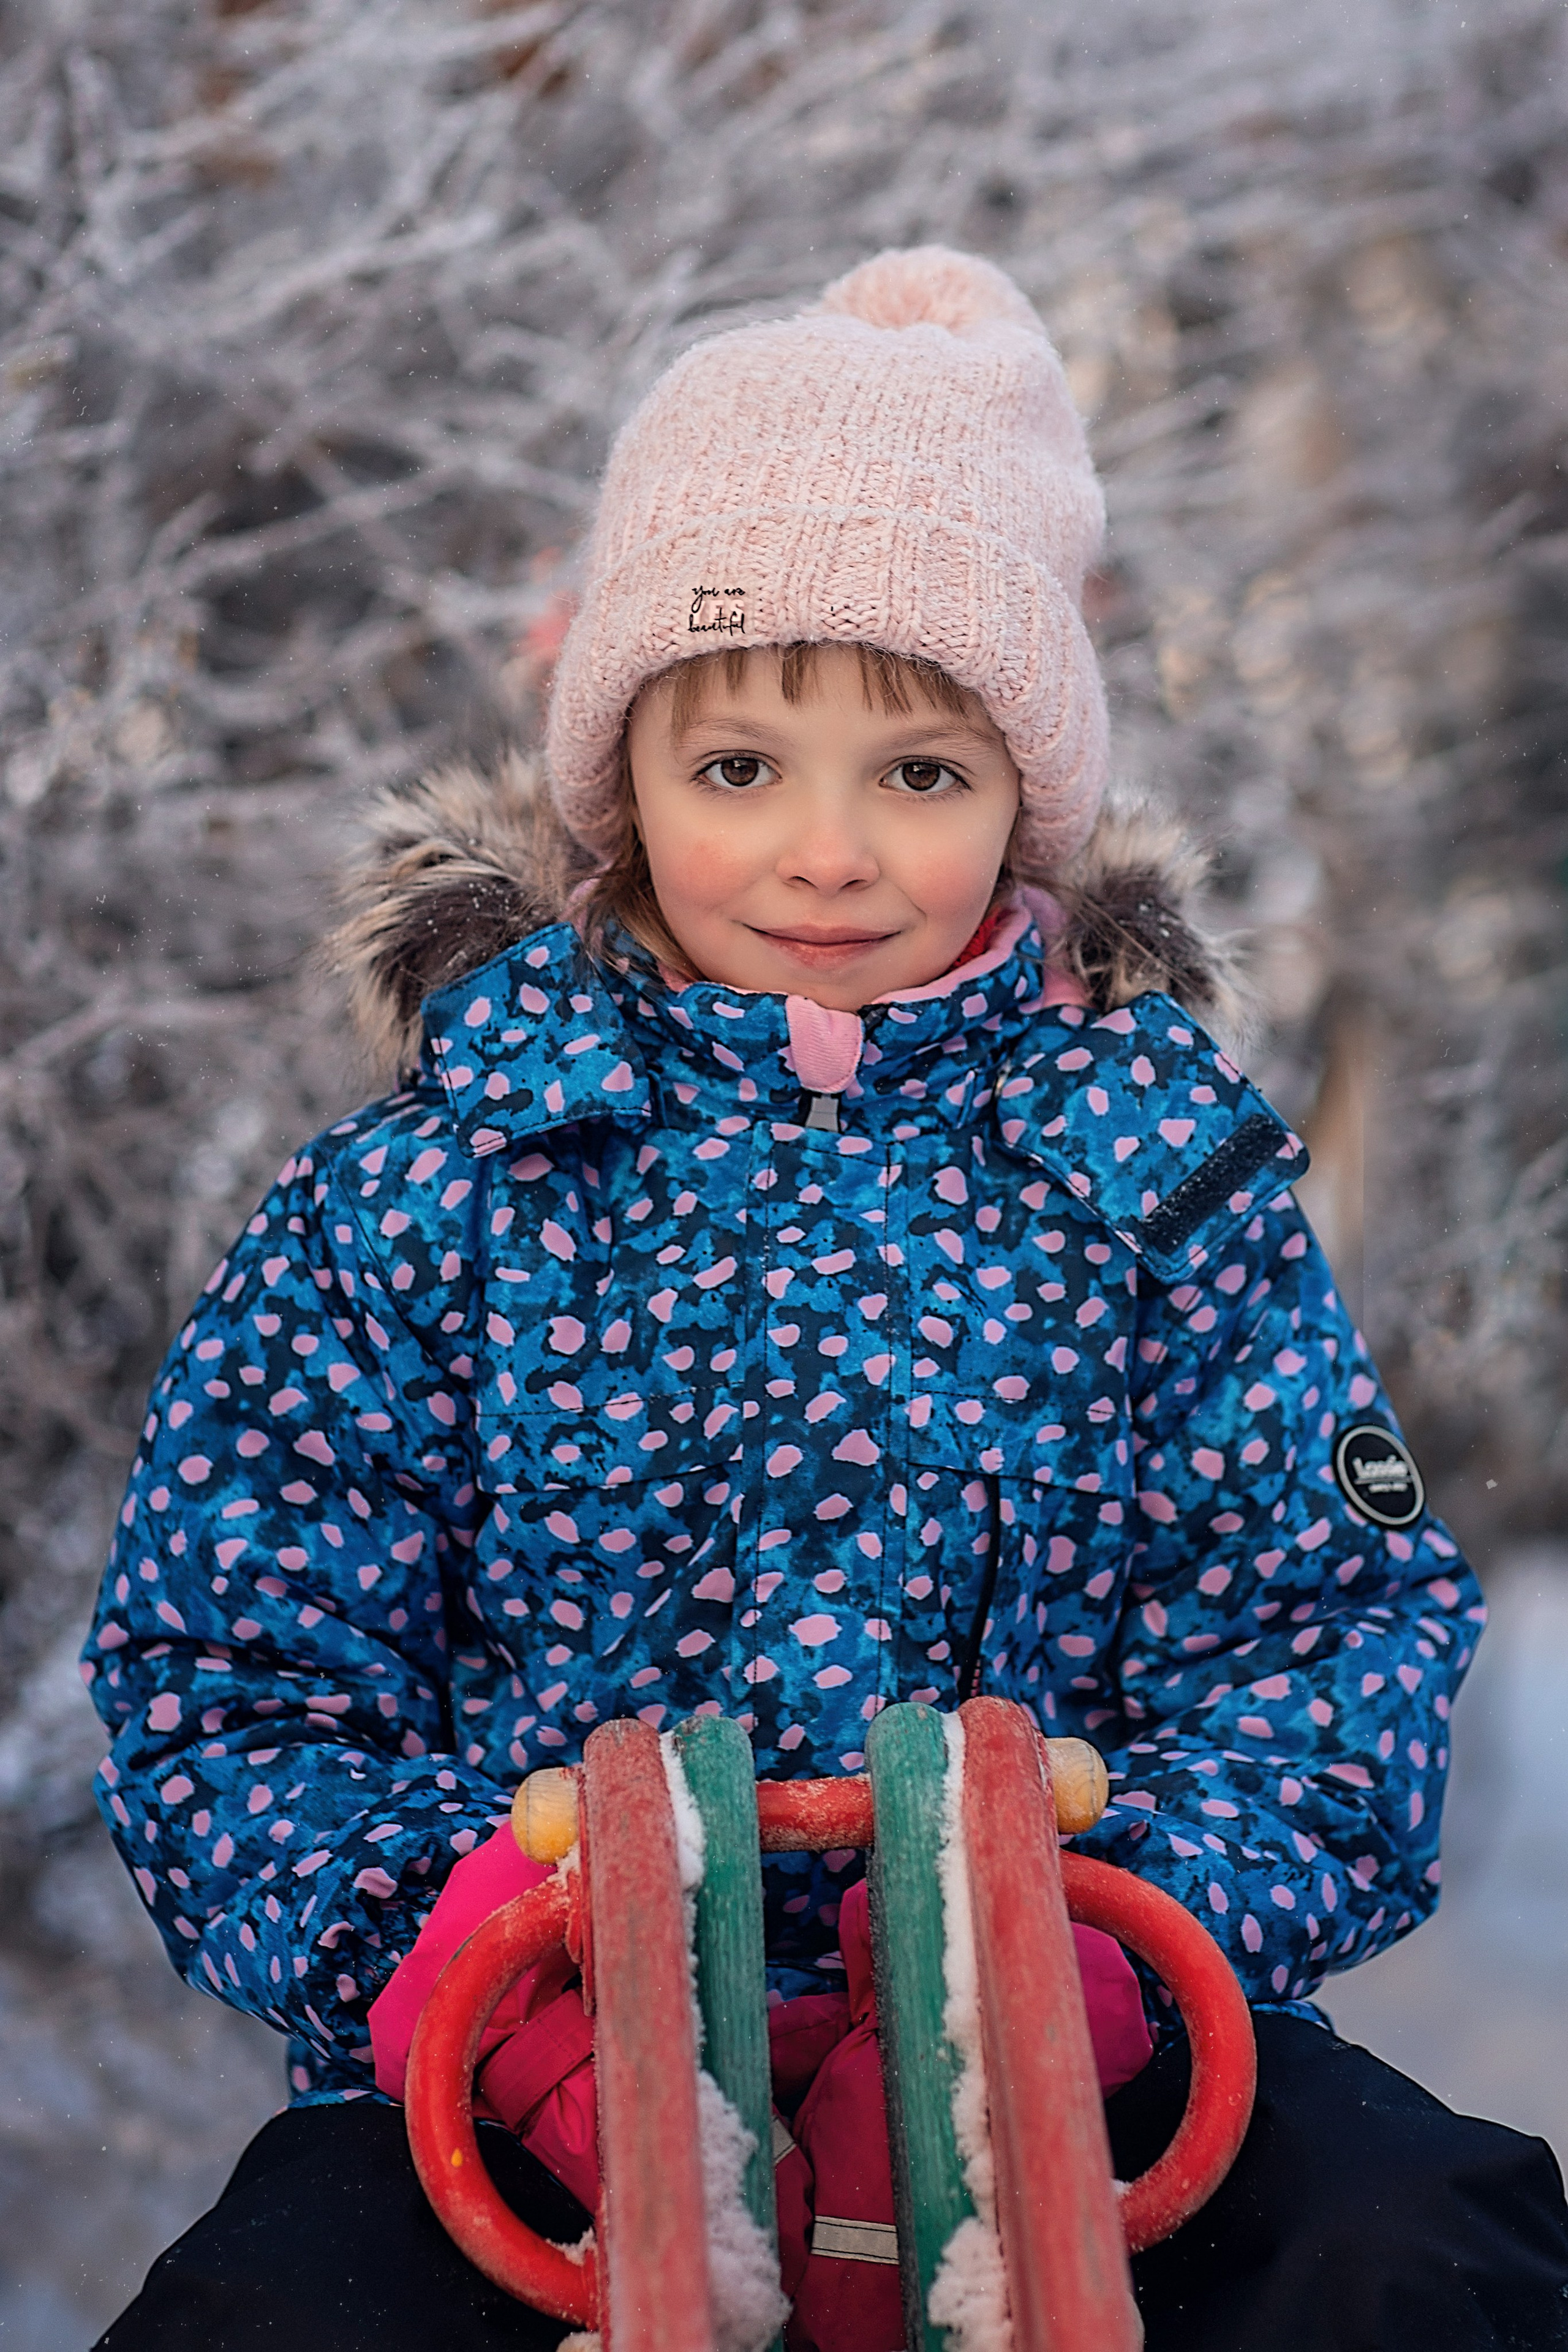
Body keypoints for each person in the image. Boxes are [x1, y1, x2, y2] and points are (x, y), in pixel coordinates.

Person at [85, 247, 1568, 2352]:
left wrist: (1110, 1963)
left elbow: (1336, 1630)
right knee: (274, 2320)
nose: (828, 854)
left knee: (1422, 2256)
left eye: (924, 775)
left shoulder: (1153, 1184)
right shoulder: (435, 1192)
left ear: (1025, 798)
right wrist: (477, 1982)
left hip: (1090, 2040)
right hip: (539, 2045)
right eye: (741, 769)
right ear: (623, 784)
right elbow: (230, 1670)